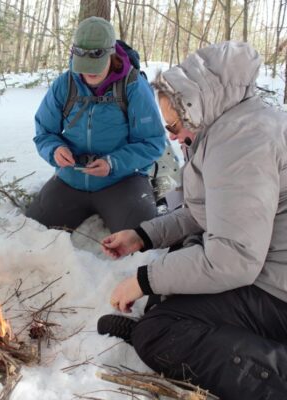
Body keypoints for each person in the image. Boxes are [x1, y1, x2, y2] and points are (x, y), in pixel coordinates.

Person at [97, 41, 287, 400]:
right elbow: (211, 210)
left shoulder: (242, 143)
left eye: (173, 123)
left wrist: (143, 279)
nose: (170, 134)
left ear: (197, 107)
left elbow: (233, 259)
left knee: (161, 331)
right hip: (269, 268)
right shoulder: (230, 126)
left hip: (277, 289)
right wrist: (142, 235)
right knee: (168, 296)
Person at [26, 17, 165, 233]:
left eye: (96, 66)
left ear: (111, 54)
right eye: (84, 66)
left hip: (122, 181)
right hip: (71, 180)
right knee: (33, 231)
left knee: (139, 238)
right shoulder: (65, 84)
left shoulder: (133, 86)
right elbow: (44, 132)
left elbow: (153, 142)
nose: (89, 72)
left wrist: (113, 163)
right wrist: (55, 150)